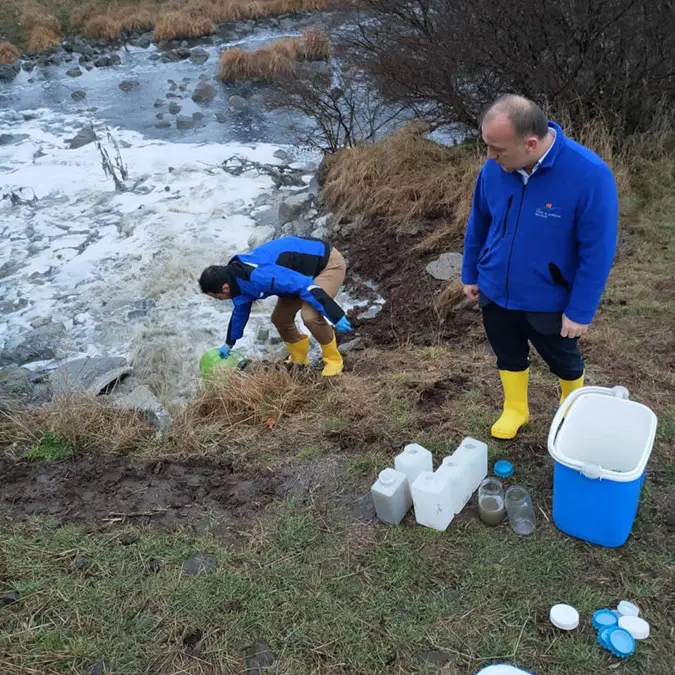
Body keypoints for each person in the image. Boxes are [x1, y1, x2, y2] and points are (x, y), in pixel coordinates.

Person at [461, 95, 619, 440]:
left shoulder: (589, 175)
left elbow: (598, 250)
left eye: (497, 148)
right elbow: (479, 221)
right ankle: (516, 409)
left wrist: (580, 310)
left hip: (549, 296)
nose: (489, 156)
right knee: (507, 352)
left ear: (530, 143)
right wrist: (471, 272)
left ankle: (570, 405)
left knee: (563, 359)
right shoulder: (495, 169)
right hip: (495, 289)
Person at [199, 235, 353, 377]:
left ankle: (333, 360)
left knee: (310, 316)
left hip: (326, 265)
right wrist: (229, 343)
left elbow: (304, 286)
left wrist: (336, 315)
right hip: (296, 276)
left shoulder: (259, 276)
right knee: (280, 318)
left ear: (225, 288)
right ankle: (299, 360)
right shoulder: (237, 281)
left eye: (219, 298)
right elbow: (240, 313)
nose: (220, 300)